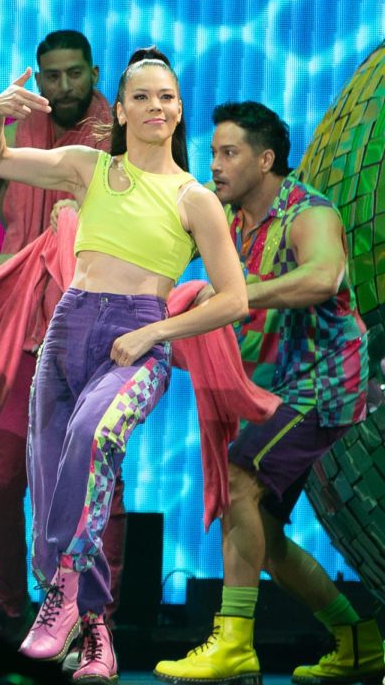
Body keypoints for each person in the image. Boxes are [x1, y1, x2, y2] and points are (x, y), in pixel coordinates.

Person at [0, 48, 248, 683]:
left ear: (179, 111)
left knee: (94, 439)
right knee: (51, 487)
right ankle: (95, 632)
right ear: (120, 110)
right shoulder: (88, 167)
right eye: (143, 97)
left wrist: (155, 331)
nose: (157, 106)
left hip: (137, 339)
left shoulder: (194, 198)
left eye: (167, 97)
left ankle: (65, 594)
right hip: (67, 331)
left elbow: (232, 298)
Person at [154, 102, 382, 685]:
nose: (217, 166)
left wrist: (239, 296)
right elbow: (160, 260)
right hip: (277, 387)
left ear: (266, 159)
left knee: (238, 485)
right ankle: (358, 642)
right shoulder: (226, 220)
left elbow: (322, 278)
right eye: (212, 154)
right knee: (266, 536)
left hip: (327, 380)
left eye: (229, 154)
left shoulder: (310, 213)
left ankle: (234, 644)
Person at [0, 30, 127, 641]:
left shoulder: (120, 137)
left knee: (94, 481)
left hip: (94, 332)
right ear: (38, 76)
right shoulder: (16, 134)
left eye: (77, 74)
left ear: (95, 72)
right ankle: (10, 612)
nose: (65, 86)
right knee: (2, 482)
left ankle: (95, 621)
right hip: (22, 337)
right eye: (53, 75)